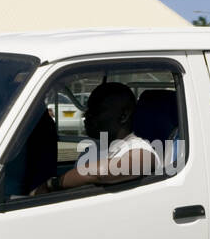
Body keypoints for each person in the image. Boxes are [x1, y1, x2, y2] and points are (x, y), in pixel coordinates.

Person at [32, 82, 160, 194]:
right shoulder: (93, 149)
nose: (86, 115)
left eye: (96, 111)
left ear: (123, 116)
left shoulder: (141, 149)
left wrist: (52, 184)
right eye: (88, 109)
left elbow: (103, 171)